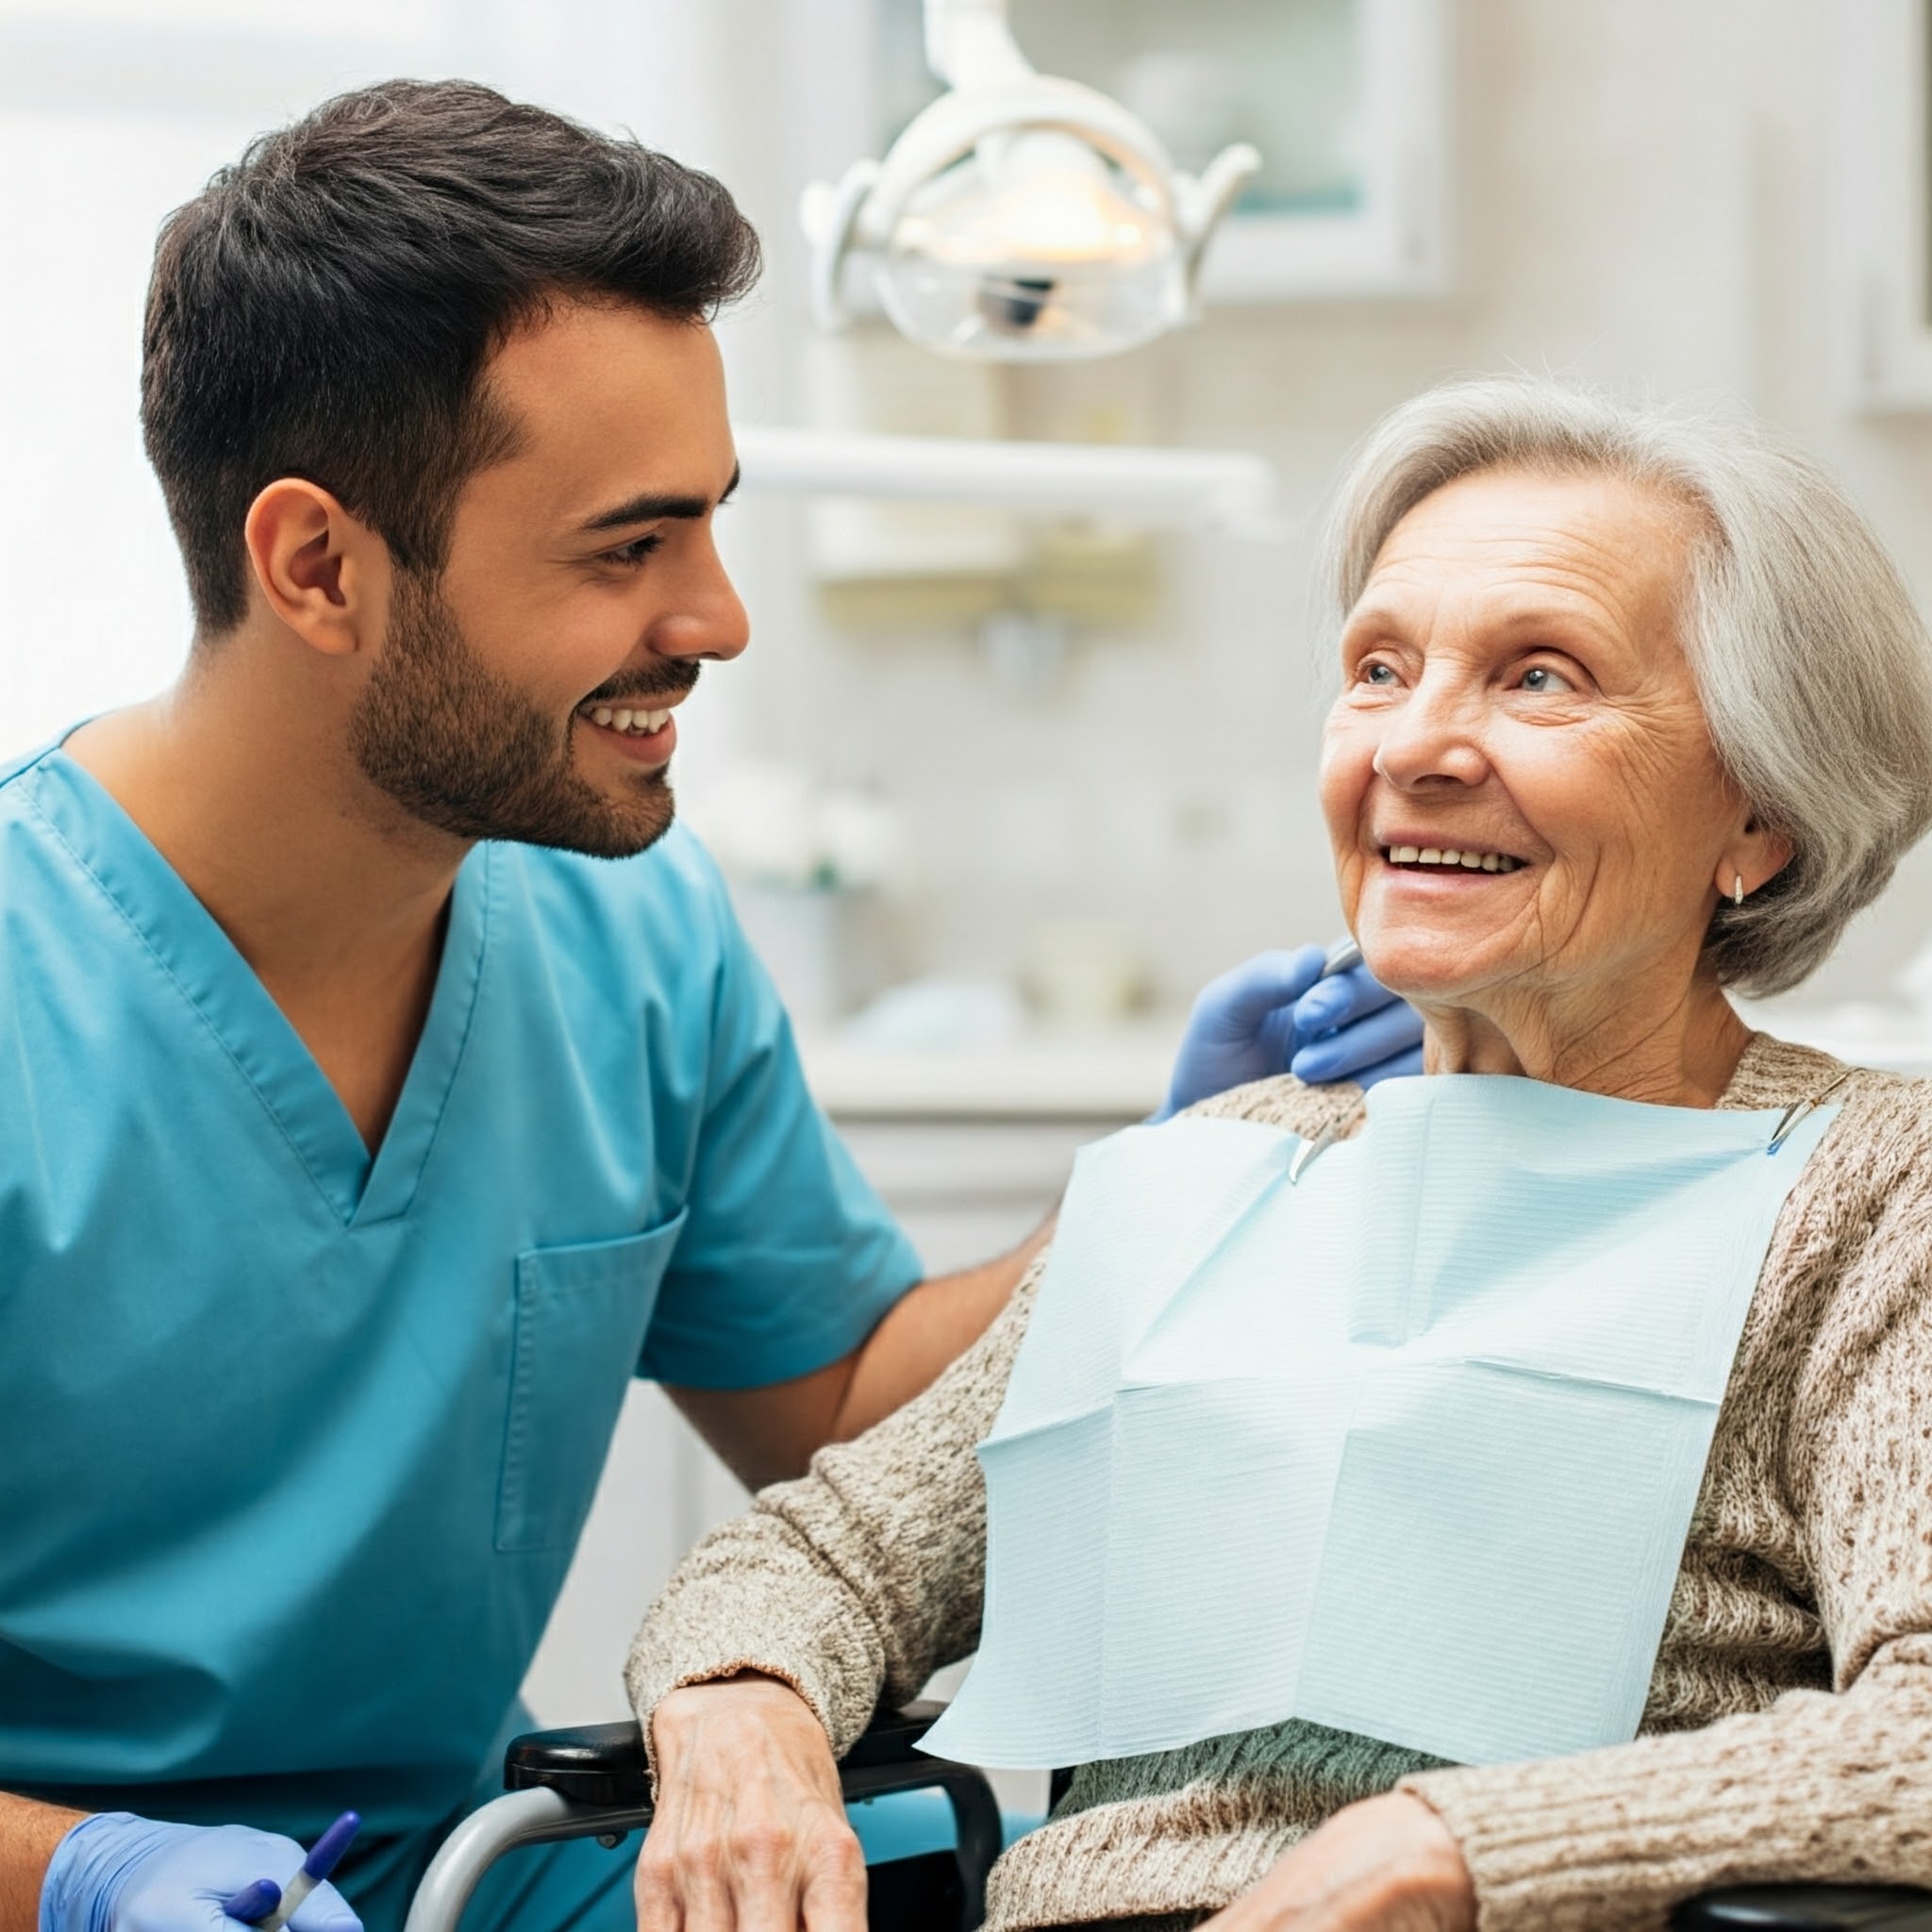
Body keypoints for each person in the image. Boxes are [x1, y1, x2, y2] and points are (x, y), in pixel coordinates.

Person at [0, 79, 1420, 1932]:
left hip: (464, 1877)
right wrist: (81, 1876)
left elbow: (841, 1406)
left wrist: (1167, 1191)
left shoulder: (632, 936)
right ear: (317, 565)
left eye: (714, 526)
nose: (722, 616)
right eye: (628, 547)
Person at [625, 375, 1932, 1932]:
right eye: (1379, 668)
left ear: (1761, 821)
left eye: (1541, 678)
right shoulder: (1229, 1169)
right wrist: (738, 1713)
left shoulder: (1872, 1193)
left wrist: (1443, 1854)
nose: (1421, 745)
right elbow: (819, 1556)